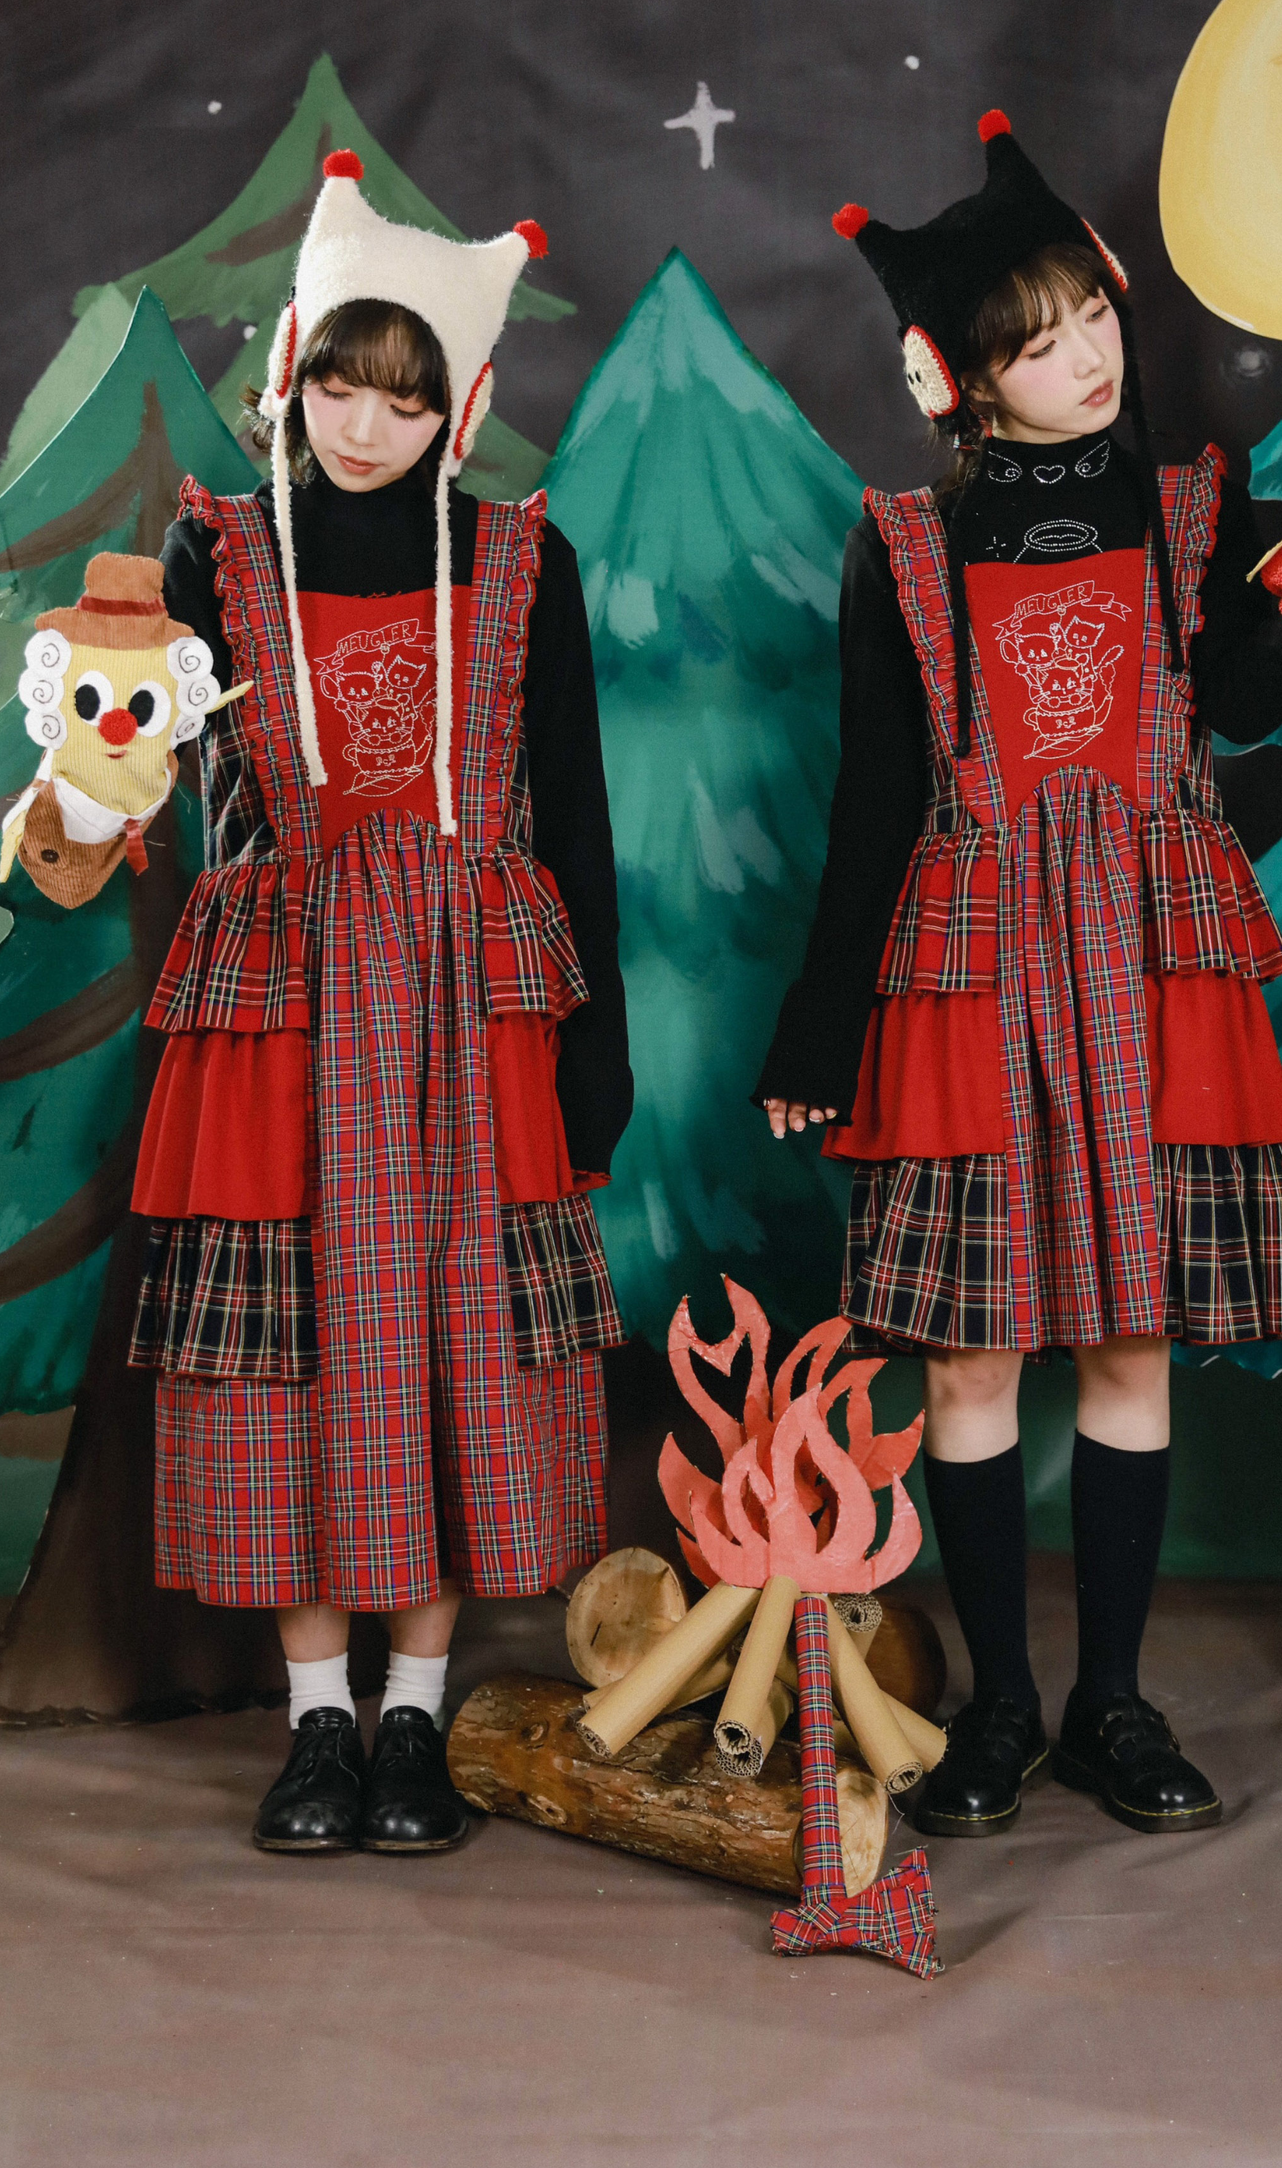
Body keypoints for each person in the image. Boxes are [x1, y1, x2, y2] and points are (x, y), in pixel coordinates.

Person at [755, 112, 1282, 1840]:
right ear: (960, 381)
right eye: (1035, 344)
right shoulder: (905, 547)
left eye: (1092, 316)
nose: (1085, 358)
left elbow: (1246, 701)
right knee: (970, 1360)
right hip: (971, 968)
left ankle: (1114, 1705)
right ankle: (1004, 1707)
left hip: (1153, 958)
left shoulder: (1187, 509)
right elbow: (873, 806)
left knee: (1131, 1346)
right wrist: (818, 1030)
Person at [128, 152, 631, 1854]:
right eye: (341, 383)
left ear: (457, 409)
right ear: (293, 368)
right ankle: (316, 1725)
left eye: (406, 399)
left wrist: (597, 1053)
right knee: (294, 1344)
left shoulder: (519, 563)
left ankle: (415, 1713)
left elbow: (576, 819)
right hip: (281, 1006)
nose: (364, 426)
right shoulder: (214, 557)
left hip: (470, 1008)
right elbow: (143, 775)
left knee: (449, 1339)